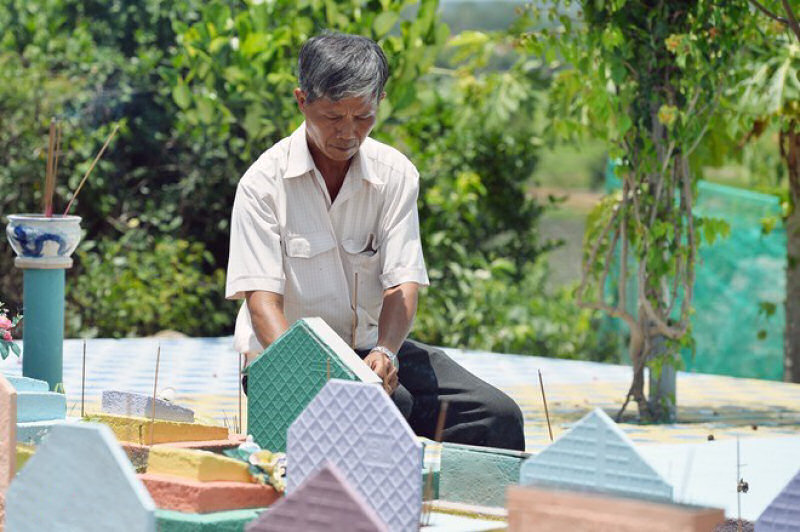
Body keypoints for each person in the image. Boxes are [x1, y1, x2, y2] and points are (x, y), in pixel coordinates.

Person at [225, 32, 525, 451]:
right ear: (302, 100)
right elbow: (262, 305)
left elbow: (402, 283)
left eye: (363, 117)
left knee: (495, 415)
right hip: (285, 362)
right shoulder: (261, 185)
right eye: (333, 117)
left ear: (380, 101)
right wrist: (311, 376)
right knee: (387, 406)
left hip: (367, 349)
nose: (348, 133)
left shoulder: (396, 175)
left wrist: (386, 351)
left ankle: (461, 494)